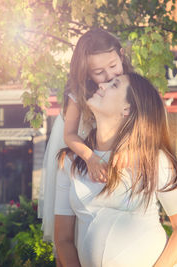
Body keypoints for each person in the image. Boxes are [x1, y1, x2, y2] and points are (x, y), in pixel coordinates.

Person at [54, 73, 177, 267]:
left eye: (113, 85)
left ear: (126, 108)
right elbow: (63, 239)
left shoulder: (153, 160)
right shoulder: (71, 162)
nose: (101, 85)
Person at [38, 28, 133, 243]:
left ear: (120, 55)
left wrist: (127, 146)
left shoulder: (129, 84)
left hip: (116, 148)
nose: (109, 76)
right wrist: (90, 157)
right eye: (99, 72)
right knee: (75, 222)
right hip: (83, 149)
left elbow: (137, 121)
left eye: (113, 66)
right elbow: (70, 135)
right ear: (86, 73)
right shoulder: (79, 92)